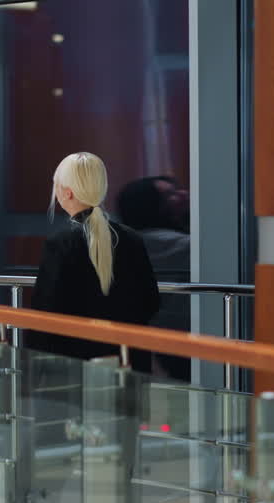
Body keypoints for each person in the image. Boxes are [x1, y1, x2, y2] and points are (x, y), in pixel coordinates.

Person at [25, 152, 161, 364]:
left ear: (68, 193)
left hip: (74, 364)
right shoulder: (132, 238)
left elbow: (46, 310)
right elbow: (150, 301)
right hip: (129, 358)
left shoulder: (61, 243)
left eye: (56, 185)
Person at [118, 176, 192, 381]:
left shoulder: (124, 241)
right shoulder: (176, 245)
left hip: (153, 344)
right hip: (179, 343)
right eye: (170, 195)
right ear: (148, 207)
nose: (184, 194)